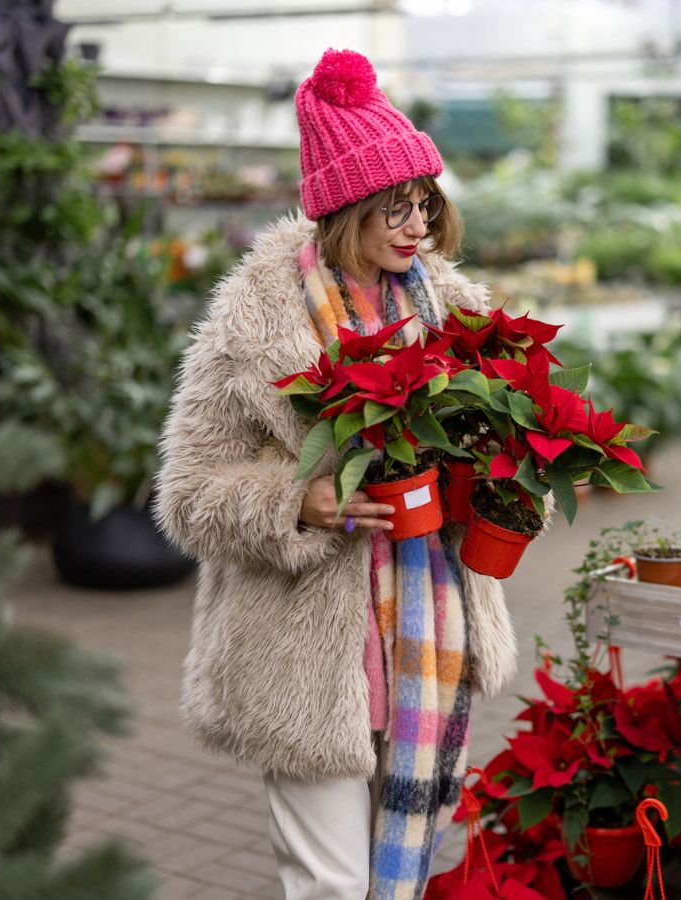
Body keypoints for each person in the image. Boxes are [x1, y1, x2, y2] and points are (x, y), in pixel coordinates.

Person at [154, 47, 518, 900]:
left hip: (428, 640)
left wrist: (502, 480)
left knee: (403, 876)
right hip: (307, 661)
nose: (416, 224)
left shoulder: (456, 315)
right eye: (394, 206)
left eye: (424, 201)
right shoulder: (256, 320)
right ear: (345, 209)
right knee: (329, 886)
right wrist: (299, 502)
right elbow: (188, 495)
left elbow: (495, 451)